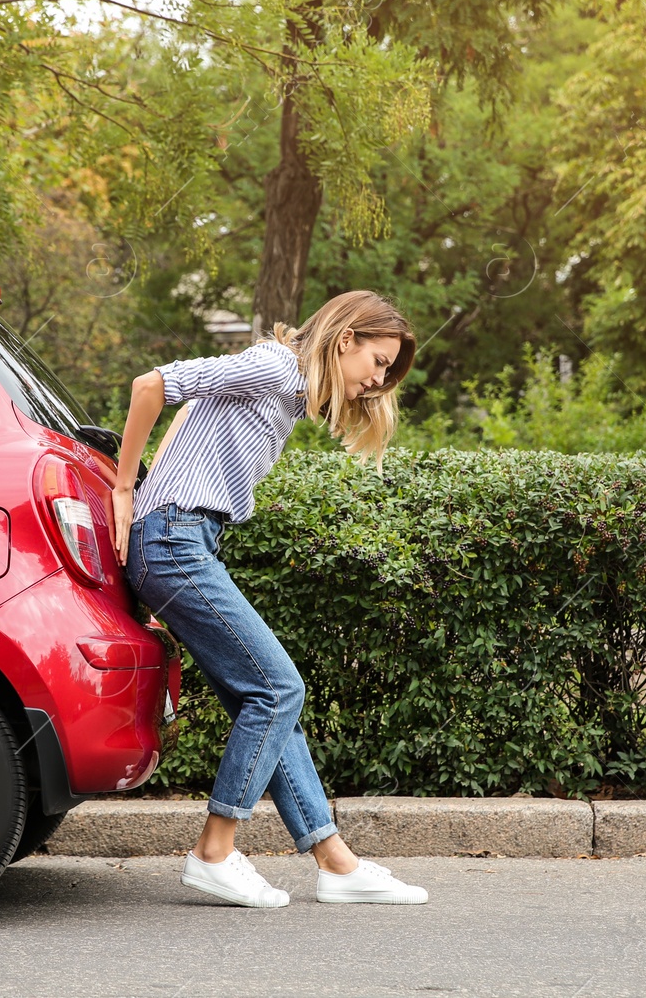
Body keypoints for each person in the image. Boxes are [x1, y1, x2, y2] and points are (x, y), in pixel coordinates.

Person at [111, 290, 427, 908]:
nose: (379, 378)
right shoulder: (274, 366)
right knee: (280, 688)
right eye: (379, 361)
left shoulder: (285, 385)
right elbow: (153, 384)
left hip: (183, 543)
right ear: (345, 340)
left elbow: (191, 409)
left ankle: (335, 863)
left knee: (267, 702)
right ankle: (214, 851)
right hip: (174, 541)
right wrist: (128, 488)